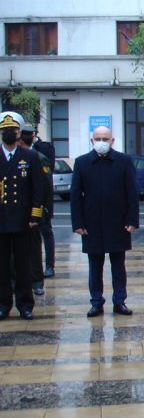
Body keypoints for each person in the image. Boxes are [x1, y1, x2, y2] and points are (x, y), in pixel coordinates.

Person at [70, 126, 139, 317]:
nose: (102, 142)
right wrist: (78, 223)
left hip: (119, 222)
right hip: (91, 223)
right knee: (95, 267)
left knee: (118, 266)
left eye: (105, 138)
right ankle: (96, 302)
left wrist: (132, 220)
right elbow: (75, 195)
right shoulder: (82, 162)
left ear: (112, 141)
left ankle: (120, 301)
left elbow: (132, 193)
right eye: (98, 138)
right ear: (92, 141)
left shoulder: (124, 161)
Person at [0, 111, 44, 321]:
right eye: (5, 130)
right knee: (1, 266)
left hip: (23, 220)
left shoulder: (30, 156)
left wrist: (35, 216)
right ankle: (3, 304)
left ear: (19, 132)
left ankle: (25, 305)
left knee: (23, 265)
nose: (10, 133)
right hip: (1, 219)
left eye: (13, 129)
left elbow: (38, 189)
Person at [18, 122, 53, 296]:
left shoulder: (38, 156)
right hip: (16, 211)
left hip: (35, 210)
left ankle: (38, 279)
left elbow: (45, 188)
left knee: (36, 244)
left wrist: (41, 211)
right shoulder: (13, 157)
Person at [32, 128, 56, 279]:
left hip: (43, 201)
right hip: (27, 202)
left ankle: (49, 265)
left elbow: (47, 178)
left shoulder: (45, 148)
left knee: (46, 232)